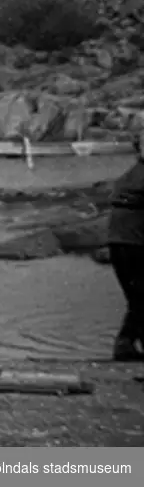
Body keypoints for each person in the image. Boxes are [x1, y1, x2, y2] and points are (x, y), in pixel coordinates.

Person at [107, 135, 144, 361]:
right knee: (141, 296)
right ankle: (124, 343)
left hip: (120, 241)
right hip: (134, 242)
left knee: (138, 297)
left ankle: (126, 343)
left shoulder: (130, 175)